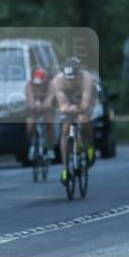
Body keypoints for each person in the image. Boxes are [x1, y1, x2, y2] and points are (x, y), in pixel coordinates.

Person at [51, 57, 97, 185]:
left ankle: (89, 146)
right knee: (65, 129)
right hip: (68, 99)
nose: (70, 81)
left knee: (83, 120)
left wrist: (80, 108)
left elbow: (86, 103)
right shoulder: (58, 80)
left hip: (85, 98)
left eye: (73, 78)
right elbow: (61, 104)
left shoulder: (86, 79)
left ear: (79, 73)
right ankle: (65, 168)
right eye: (68, 78)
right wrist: (66, 108)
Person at [25, 68, 55, 161]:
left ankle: (49, 147)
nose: (39, 85)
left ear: (45, 79)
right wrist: (34, 104)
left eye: (41, 82)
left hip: (46, 108)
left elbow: (50, 99)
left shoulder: (50, 85)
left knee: (49, 123)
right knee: (29, 126)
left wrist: (43, 105)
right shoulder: (29, 85)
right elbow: (29, 98)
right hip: (33, 109)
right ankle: (32, 146)